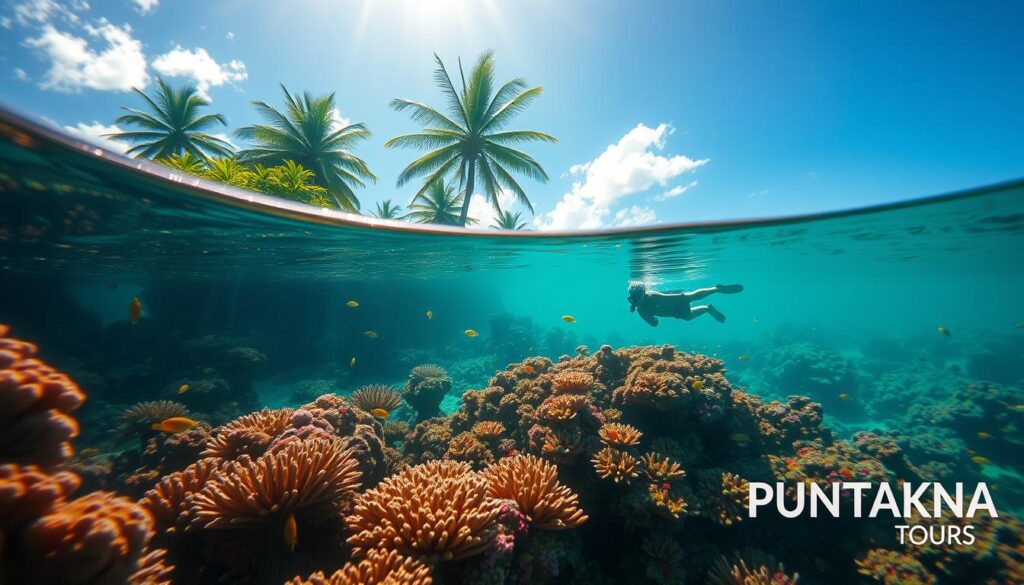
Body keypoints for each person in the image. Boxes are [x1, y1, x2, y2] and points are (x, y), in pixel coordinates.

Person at [627, 282, 743, 327]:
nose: (636, 301)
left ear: (643, 293)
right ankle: (707, 308)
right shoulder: (641, 309)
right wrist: (647, 317)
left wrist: (683, 298)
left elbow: (666, 298)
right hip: (675, 312)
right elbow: (654, 323)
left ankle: (716, 289)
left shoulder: (651, 295)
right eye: (634, 298)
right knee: (688, 317)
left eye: (638, 297)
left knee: (693, 296)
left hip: (676, 301)